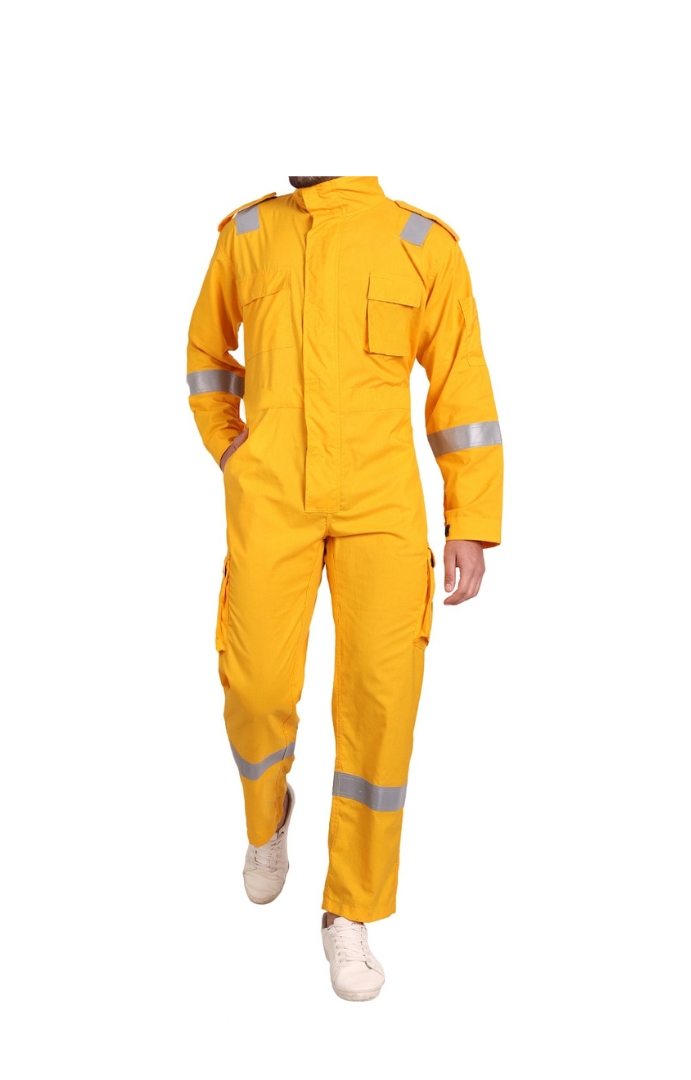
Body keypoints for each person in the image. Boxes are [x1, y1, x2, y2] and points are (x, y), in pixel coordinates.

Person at [186, 176, 502, 1001]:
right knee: (255, 687)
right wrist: (231, 449)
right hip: (272, 498)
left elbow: (461, 384)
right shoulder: (248, 234)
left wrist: (470, 517)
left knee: (380, 704)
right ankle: (268, 819)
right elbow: (207, 356)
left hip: (381, 505)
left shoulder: (421, 245)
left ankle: (350, 911)